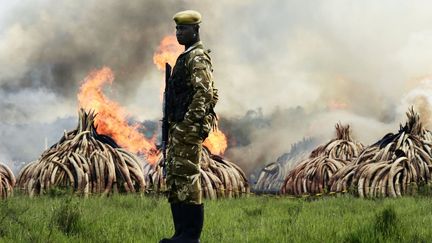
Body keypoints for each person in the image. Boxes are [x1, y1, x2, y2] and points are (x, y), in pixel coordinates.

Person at [160, 10, 218, 243]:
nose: (178, 33)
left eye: (182, 29)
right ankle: (180, 233)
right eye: (176, 29)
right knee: (176, 179)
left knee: (188, 178)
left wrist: (189, 123)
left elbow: (205, 93)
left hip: (186, 129)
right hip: (178, 128)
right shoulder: (186, 56)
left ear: (195, 30)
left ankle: (191, 236)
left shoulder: (197, 57)